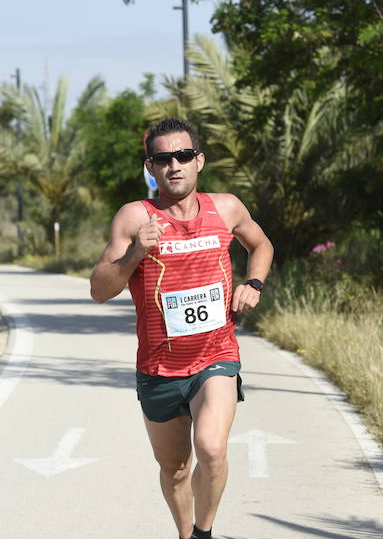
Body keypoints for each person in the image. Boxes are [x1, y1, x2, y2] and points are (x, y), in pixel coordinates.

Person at [90, 118, 273, 539]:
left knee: (210, 448)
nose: (175, 165)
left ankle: (204, 532)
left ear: (199, 161)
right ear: (150, 167)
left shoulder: (226, 207)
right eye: (163, 158)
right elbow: (101, 290)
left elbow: (261, 244)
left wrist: (253, 283)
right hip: (157, 369)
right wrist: (136, 251)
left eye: (184, 155)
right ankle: (186, 534)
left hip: (215, 357)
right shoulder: (135, 217)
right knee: (174, 470)